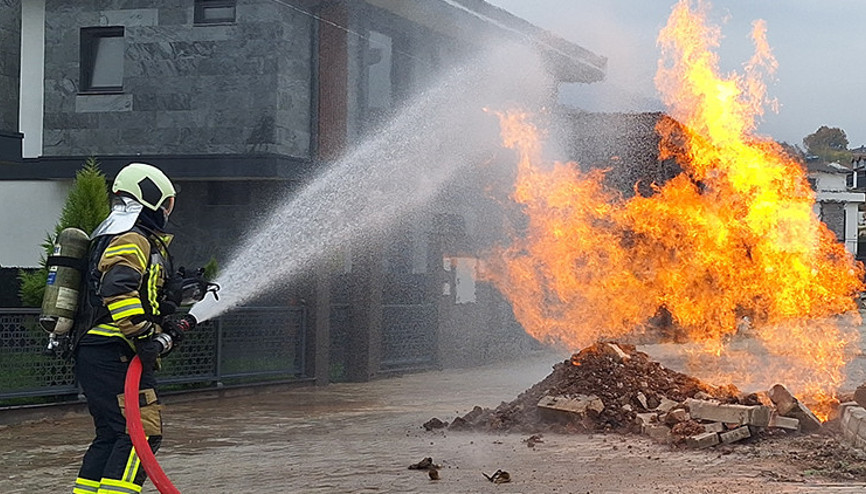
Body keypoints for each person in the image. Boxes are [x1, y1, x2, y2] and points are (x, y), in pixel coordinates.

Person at [72, 162, 193, 494]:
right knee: (141, 433)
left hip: (98, 352)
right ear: (152, 198)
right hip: (117, 354)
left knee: (112, 434)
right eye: (166, 203)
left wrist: (169, 302)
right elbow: (118, 289)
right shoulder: (132, 238)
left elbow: (130, 290)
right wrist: (145, 334)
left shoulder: (113, 235)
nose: (167, 211)